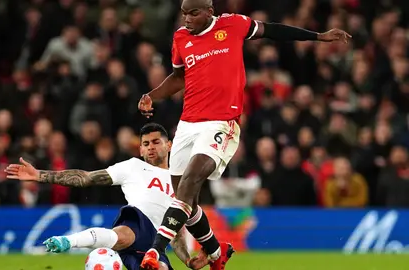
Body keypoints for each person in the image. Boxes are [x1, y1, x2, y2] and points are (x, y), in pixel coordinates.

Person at [137, 0, 351, 269]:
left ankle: (154, 252)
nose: (187, 19)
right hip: (188, 124)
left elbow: (273, 30)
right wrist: (151, 96)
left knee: (190, 183)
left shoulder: (233, 24)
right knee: (185, 201)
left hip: (221, 123)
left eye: (193, 13)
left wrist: (318, 36)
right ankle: (217, 253)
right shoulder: (181, 38)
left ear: (209, 12)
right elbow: (179, 78)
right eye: (183, 14)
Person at [5, 123, 207, 270]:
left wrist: (188, 261)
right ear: (140, 149)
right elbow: (86, 178)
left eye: (156, 142)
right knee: (127, 232)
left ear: (169, 145)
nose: (150, 147)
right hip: (137, 227)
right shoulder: (132, 167)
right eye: (145, 144)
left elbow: (177, 233)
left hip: (156, 246)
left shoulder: (181, 182)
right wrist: (40, 175)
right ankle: (69, 241)